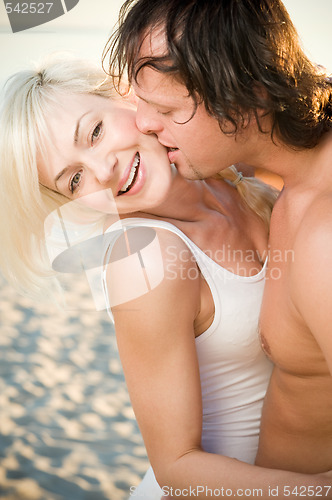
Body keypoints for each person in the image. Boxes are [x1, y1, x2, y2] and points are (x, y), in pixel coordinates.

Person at [0, 57, 330, 500]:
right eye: (75, 179)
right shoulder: (143, 259)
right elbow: (176, 468)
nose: (102, 173)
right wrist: (314, 492)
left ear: (124, 96)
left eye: (94, 133)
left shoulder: (227, 173)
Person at [104, 0, 332, 479]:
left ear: (248, 95)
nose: (144, 123)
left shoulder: (323, 239)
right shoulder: (261, 175)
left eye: (166, 108)